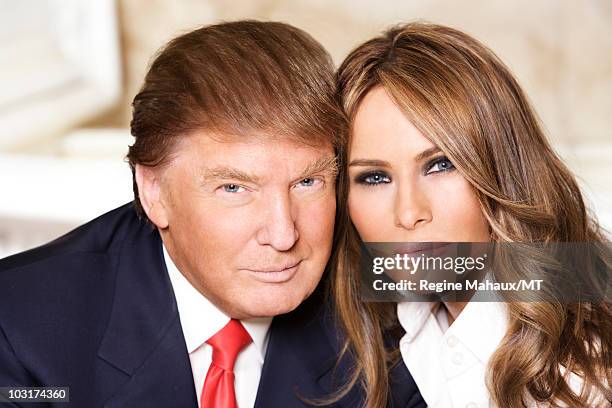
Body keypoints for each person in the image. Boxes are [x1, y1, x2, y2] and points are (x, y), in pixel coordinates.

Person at [0, 21, 426, 407]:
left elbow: (487, 274)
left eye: (307, 183)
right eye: (234, 188)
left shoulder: (398, 291)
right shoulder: (18, 323)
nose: (283, 235)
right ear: (155, 192)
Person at [332, 22, 611, 407]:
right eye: (374, 177)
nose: (410, 213)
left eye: (441, 164)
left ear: (501, 168)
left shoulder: (593, 367)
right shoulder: (402, 335)